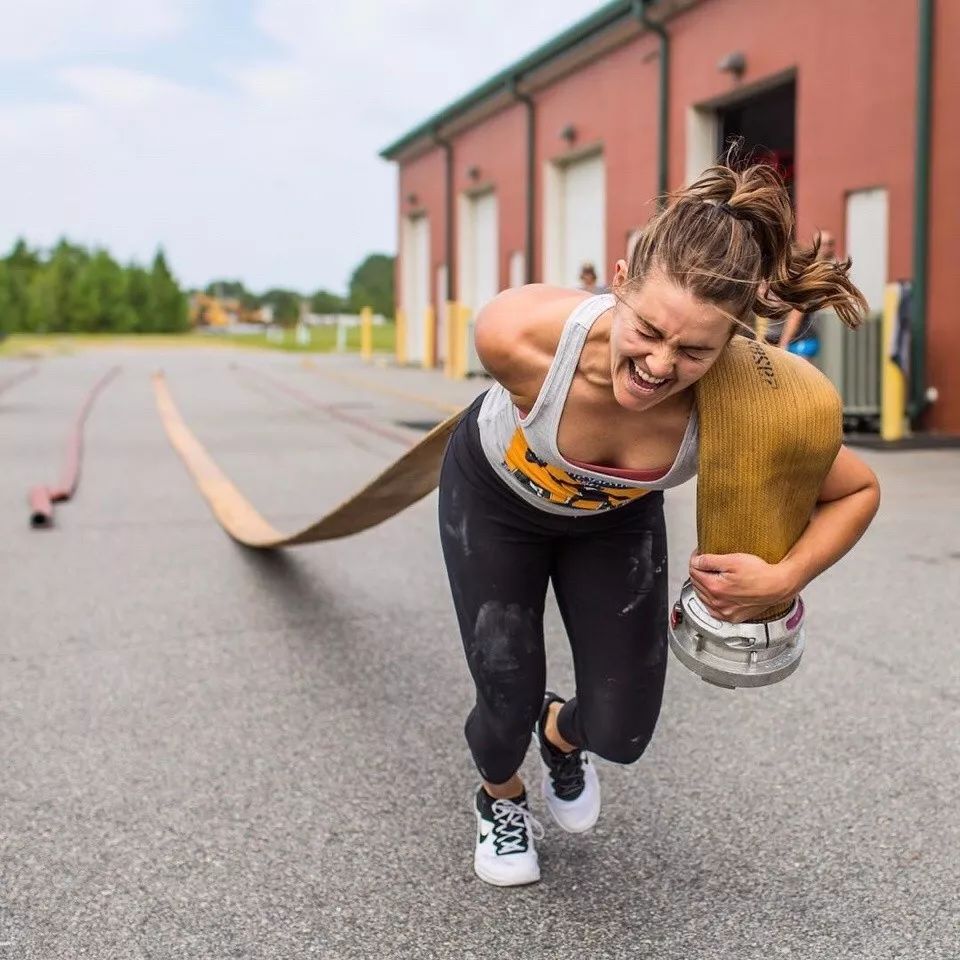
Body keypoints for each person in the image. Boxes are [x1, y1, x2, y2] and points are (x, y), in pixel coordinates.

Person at [438, 159, 880, 887]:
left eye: (695, 351)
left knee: (623, 731)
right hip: (497, 502)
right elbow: (537, 322)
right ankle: (500, 798)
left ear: (732, 343)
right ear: (619, 279)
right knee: (504, 696)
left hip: (614, 521)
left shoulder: (739, 407)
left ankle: (560, 734)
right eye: (649, 329)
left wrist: (786, 574)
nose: (658, 365)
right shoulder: (519, 342)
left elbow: (857, 490)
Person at [772, 230, 838, 355]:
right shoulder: (809, 271)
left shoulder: (833, 271)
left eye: (830, 243)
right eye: (822, 244)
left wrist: (783, 343)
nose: (826, 248)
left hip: (812, 338)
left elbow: (798, 311)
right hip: (804, 337)